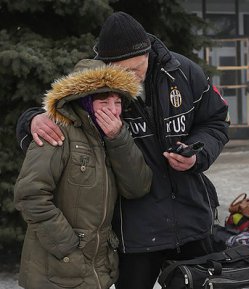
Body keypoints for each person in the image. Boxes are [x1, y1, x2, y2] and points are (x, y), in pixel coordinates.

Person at [15, 12, 229, 289]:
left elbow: (215, 121)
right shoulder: (101, 87)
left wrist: (197, 153)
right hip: (134, 231)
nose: (130, 78)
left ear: (148, 52)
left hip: (192, 220)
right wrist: (31, 119)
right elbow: (65, 104)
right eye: (122, 71)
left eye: (136, 68)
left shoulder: (184, 72)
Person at [14, 59, 153, 289]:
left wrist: (118, 140)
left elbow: (138, 187)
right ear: (85, 100)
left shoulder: (115, 136)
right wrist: (68, 247)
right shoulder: (56, 129)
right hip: (57, 272)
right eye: (103, 100)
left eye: (118, 101)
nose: (113, 109)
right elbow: (30, 195)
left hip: (97, 271)